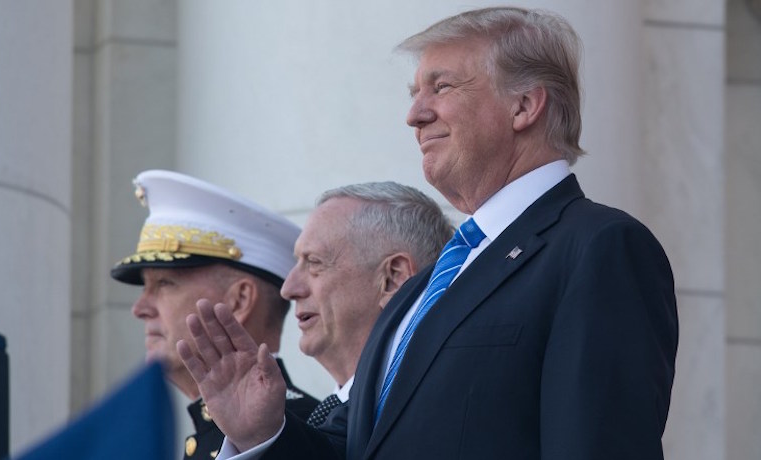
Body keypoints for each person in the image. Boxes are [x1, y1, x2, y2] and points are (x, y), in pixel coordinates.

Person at [179, 7, 678, 460]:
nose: (414, 115)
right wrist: (262, 435)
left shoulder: (598, 247)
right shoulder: (425, 287)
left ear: (524, 106)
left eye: (441, 88)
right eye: (414, 93)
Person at [110, 170, 319, 460]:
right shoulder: (211, 436)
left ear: (239, 300)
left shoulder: (299, 430)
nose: (139, 308)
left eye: (164, 284)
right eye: (146, 288)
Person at [280, 182, 453, 427]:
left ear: (393, 278)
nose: (289, 289)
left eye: (315, 262)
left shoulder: (432, 413)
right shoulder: (329, 415)